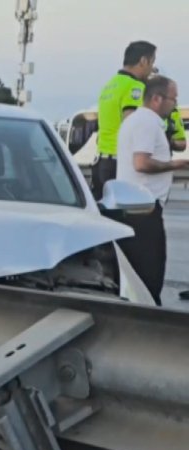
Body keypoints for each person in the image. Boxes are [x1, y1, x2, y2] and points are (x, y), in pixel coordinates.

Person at [115, 75, 189, 305]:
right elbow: (142, 163)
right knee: (150, 275)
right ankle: (149, 321)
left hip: (135, 206)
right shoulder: (147, 123)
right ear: (157, 98)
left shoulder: (136, 120)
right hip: (143, 209)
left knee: (140, 274)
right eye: (172, 99)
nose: (174, 104)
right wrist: (177, 164)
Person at [93, 41, 157, 200]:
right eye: (152, 62)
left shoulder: (110, 85)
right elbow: (133, 124)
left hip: (102, 160)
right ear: (144, 61)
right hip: (120, 163)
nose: (151, 70)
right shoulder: (134, 86)